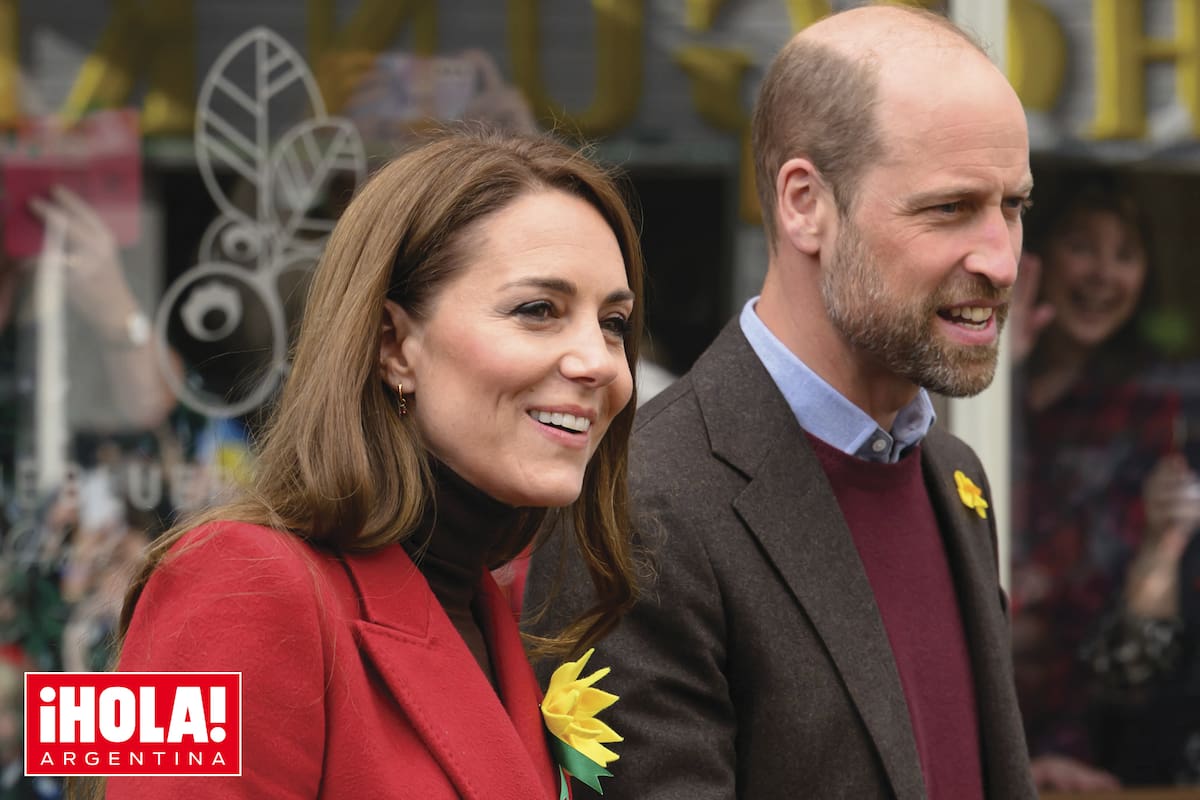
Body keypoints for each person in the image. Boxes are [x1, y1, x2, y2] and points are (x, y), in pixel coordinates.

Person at [525, 6, 1036, 798]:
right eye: (949, 208)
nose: (1002, 260)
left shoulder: (954, 476)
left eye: (1013, 207)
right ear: (804, 203)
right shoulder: (639, 507)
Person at [103, 128, 644, 799]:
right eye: (539, 310)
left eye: (614, 322)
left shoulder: (483, 607)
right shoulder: (232, 580)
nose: (598, 361)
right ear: (393, 343)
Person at [1009, 183, 1200, 788]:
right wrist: (997, 370)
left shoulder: (1159, 410)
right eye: (1081, 246)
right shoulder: (976, 395)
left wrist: (1161, 548)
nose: (1103, 274)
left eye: (1125, 254)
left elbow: (1141, 660)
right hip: (985, 725)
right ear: (1033, 259)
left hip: (1103, 750)